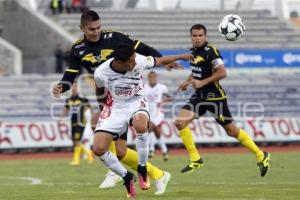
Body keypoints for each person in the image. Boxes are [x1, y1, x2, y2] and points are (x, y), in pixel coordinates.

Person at [52, 9, 179, 193]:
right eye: (91, 29)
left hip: (122, 96)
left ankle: (120, 173)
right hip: (104, 95)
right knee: (120, 151)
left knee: (102, 132)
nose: (96, 32)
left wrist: (163, 61)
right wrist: (61, 87)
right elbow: (71, 73)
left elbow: (143, 48)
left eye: (98, 27)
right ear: (82, 28)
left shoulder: (115, 38)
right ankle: (158, 174)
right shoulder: (78, 49)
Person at [93, 44, 192, 197]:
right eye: (131, 62)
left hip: (136, 101)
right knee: (98, 148)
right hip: (115, 107)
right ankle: (127, 177)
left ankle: (142, 167)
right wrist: (103, 109)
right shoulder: (101, 72)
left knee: (140, 125)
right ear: (119, 63)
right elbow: (99, 91)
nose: (135, 63)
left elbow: (160, 60)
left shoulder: (138, 60)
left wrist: (181, 56)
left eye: (134, 59)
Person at [174, 24, 271, 176]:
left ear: (205, 36)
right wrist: (188, 81)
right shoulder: (192, 52)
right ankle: (195, 158)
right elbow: (197, 71)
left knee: (231, 131)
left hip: (215, 97)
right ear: (191, 37)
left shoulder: (211, 51)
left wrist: (202, 83)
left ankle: (261, 155)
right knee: (180, 122)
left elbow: (222, 72)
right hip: (199, 96)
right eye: (195, 35)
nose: (197, 38)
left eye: (200, 35)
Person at [60, 82, 94, 165]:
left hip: (81, 122)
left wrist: (92, 117)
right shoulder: (69, 99)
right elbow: (66, 109)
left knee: (77, 140)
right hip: (73, 122)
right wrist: (61, 118)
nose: (74, 88)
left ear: (77, 87)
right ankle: (89, 153)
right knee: (74, 142)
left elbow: (89, 107)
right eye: (72, 86)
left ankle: (76, 161)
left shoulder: (82, 98)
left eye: (75, 86)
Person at [144, 71, 172, 161]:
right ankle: (165, 150)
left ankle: (150, 150)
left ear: (156, 77)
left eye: (154, 77)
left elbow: (170, 97)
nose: (152, 78)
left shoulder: (162, 87)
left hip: (159, 113)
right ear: (148, 78)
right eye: (150, 77)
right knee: (157, 131)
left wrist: (163, 101)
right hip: (148, 112)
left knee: (149, 129)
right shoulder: (144, 87)